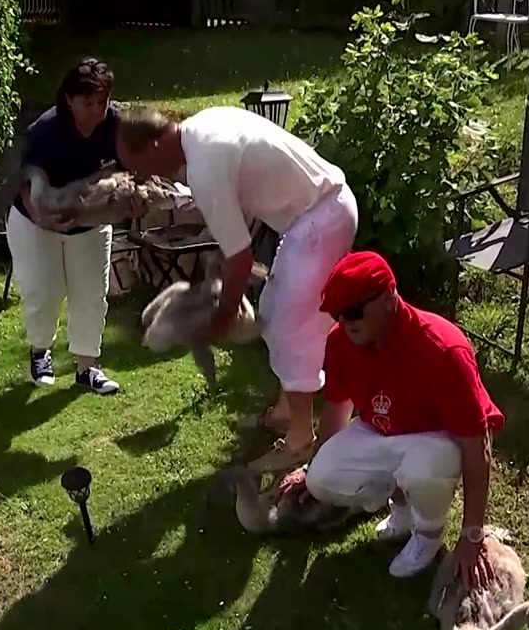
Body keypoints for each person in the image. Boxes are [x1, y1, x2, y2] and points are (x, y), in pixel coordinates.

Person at [116, 106, 358, 465]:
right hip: (319, 211)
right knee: (278, 312)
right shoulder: (202, 126)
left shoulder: (205, 167)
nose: (141, 175)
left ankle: (300, 438)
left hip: (321, 217)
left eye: (138, 166)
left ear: (153, 145)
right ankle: (287, 412)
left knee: (292, 327)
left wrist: (221, 317)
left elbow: (240, 258)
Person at [276, 251, 505, 581]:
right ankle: (402, 508)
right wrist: (310, 466)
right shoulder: (341, 343)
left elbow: (477, 444)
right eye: (338, 313)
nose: (345, 322)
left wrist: (472, 534)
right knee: (322, 479)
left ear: (388, 298)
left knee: (424, 469)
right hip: (382, 429)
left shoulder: (443, 349)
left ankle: (428, 533)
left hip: (439, 437)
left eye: (353, 311)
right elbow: (338, 410)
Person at [9, 58, 141, 394]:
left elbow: (131, 173)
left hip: (90, 224)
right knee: (44, 291)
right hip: (36, 222)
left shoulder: (115, 126)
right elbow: (24, 185)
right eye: (88, 102)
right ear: (69, 99)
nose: (97, 110)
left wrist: (131, 198)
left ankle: (87, 367)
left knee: (92, 294)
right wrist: (42, 217)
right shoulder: (45, 131)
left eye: (103, 101)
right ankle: (41, 353)